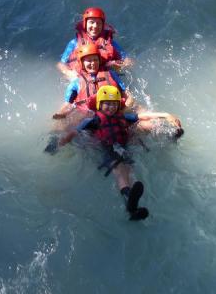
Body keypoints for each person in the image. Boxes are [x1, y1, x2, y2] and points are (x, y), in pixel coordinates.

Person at [46, 86, 155, 220]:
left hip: (121, 148)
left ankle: (131, 206)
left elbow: (142, 116)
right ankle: (129, 198)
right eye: (107, 104)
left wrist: (166, 115)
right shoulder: (93, 120)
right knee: (120, 170)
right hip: (107, 150)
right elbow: (73, 133)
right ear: (99, 105)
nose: (111, 107)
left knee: (128, 171)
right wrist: (58, 144)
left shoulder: (122, 117)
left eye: (114, 104)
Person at [52, 42, 131, 122]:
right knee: (60, 128)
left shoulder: (111, 74)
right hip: (89, 117)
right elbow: (68, 104)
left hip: (113, 112)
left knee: (142, 122)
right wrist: (61, 114)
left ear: (99, 61)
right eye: (89, 61)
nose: (93, 63)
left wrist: (124, 110)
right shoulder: (76, 83)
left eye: (95, 60)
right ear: (82, 63)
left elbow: (127, 95)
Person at [57, 7, 132, 81]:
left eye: (98, 23)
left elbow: (128, 61)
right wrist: (69, 73)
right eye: (91, 22)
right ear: (85, 24)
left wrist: (117, 65)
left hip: (105, 78)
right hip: (80, 79)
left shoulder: (111, 43)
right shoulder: (74, 43)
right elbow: (61, 64)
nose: (95, 26)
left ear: (102, 25)